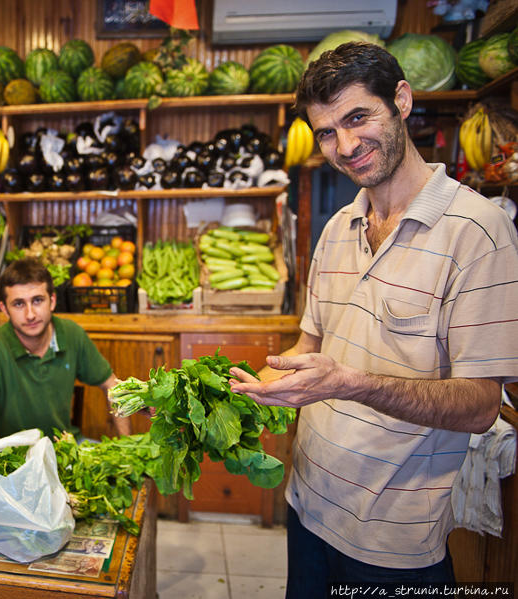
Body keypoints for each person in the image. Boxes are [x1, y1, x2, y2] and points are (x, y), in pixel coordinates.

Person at [228, 42, 518, 596]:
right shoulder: (338, 228)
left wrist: (349, 383)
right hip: (308, 504)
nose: (346, 145)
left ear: (401, 101)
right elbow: (308, 345)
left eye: (358, 117)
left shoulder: (478, 233)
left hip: (393, 539)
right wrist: (227, 393)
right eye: (327, 132)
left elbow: (481, 406)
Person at [0, 257, 131, 444]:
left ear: (52, 301)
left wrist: (128, 445)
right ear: (4, 309)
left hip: (66, 446)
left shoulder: (72, 334)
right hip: (14, 454)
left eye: (37, 300)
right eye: (18, 304)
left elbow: (113, 385)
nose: (30, 314)